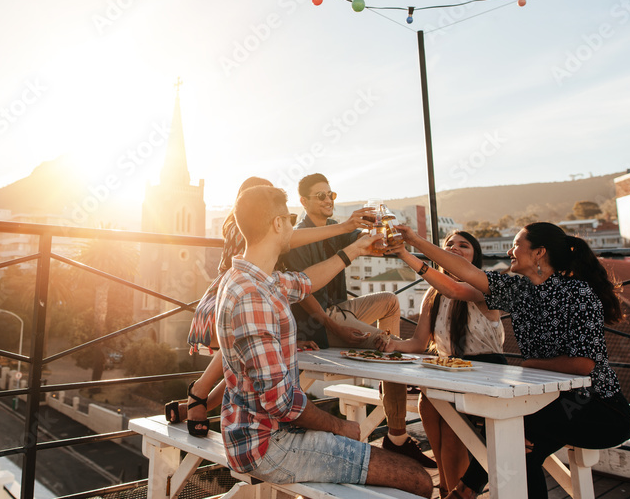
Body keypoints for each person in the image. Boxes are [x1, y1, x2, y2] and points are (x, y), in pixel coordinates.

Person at [215, 185, 433, 496]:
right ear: (278, 224)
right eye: (289, 218)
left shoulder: (250, 280)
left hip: (251, 433)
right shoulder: (253, 297)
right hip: (270, 446)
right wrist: (341, 427)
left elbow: (305, 282)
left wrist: (357, 248)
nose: (293, 224)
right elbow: (280, 402)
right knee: (418, 480)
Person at [395, 222, 630, 499]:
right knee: (519, 448)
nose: (510, 250)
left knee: (512, 439)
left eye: (517, 245)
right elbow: (463, 276)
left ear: (539, 253)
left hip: (597, 408)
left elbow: (584, 365)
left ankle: (463, 491)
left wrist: (531, 365)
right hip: (548, 405)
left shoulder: (577, 293)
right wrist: (413, 242)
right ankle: (464, 491)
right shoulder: (519, 289)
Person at [166, 176, 375, 436]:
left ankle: (199, 402)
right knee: (240, 347)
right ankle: (198, 392)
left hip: (259, 289)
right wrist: (343, 228)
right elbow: (294, 239)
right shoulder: (240, 226)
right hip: (234, 293)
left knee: (242, 364)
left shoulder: (263, 250)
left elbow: (300, 278)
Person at [281, 173, 436, 468]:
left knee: (390, 301)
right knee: (391, 349)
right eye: (321, 196)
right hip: (319, 321)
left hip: (341, 308)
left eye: (331, 195)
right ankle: (398, 433)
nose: (328, 200)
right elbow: (302, 293)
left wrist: (387, 235)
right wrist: (334, 326)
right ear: (303, 201)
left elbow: (368, 244)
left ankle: (388, 374)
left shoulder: (333, 228)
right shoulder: (300, 235)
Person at [384, 231, 505, 495]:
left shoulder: (484, 287)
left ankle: (456, 492)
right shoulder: (433, 293)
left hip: (483, 372)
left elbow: (454, 288)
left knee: (453, 430)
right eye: (449, 244)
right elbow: (417, 343)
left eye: (464, 245)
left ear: (475, 257)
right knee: (427, 404)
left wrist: (405, 252)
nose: (454, 248)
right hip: (446, 370)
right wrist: (390, 344)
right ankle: (446, 488)